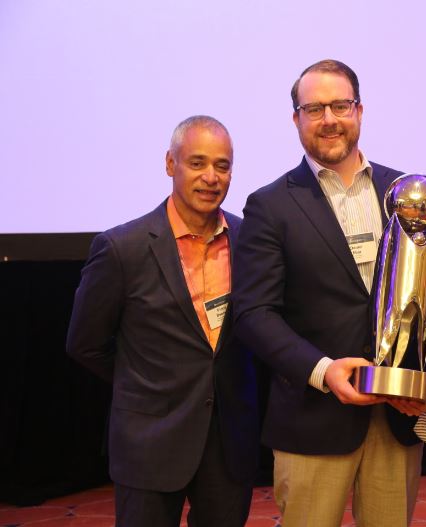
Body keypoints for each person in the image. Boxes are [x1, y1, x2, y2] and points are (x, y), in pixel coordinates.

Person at [232, 59, 426, 526]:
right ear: (295, 118)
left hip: (397, 413)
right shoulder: (270, 205)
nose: (329, 119)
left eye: (340, 105)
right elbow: (254, 314)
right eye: (314, 108)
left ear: (359, 110)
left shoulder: (404, 190)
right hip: (314, 418)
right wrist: (323, 371)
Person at [66, 116, 259, 527]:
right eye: (197, 163)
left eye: (222, 166)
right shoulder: (122, 248)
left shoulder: (250, 241)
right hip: (149, 441)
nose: (211, 177)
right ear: (170, 164)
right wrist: (146, 381)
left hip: (228, 442)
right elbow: (85, 343)